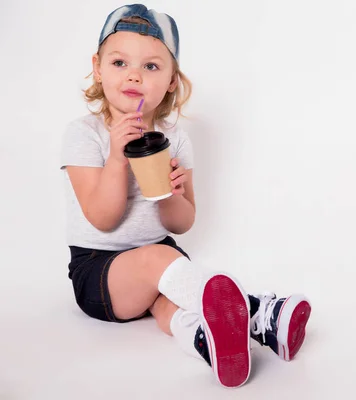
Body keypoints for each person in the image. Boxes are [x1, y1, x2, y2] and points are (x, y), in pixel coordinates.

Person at [59, 4, 311, 388]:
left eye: (152, 67)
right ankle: (260, 313)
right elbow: (102, 218)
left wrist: (166, 194)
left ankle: (208, 345)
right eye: (120, 62)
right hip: (99, 271)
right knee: (161, 259)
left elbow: (182, 222)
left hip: (161, 260)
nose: (134, 76)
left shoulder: (174, 139)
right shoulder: (85, 134)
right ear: (97, 67)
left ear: (173, 80)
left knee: (175, 303)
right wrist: (116, 160)